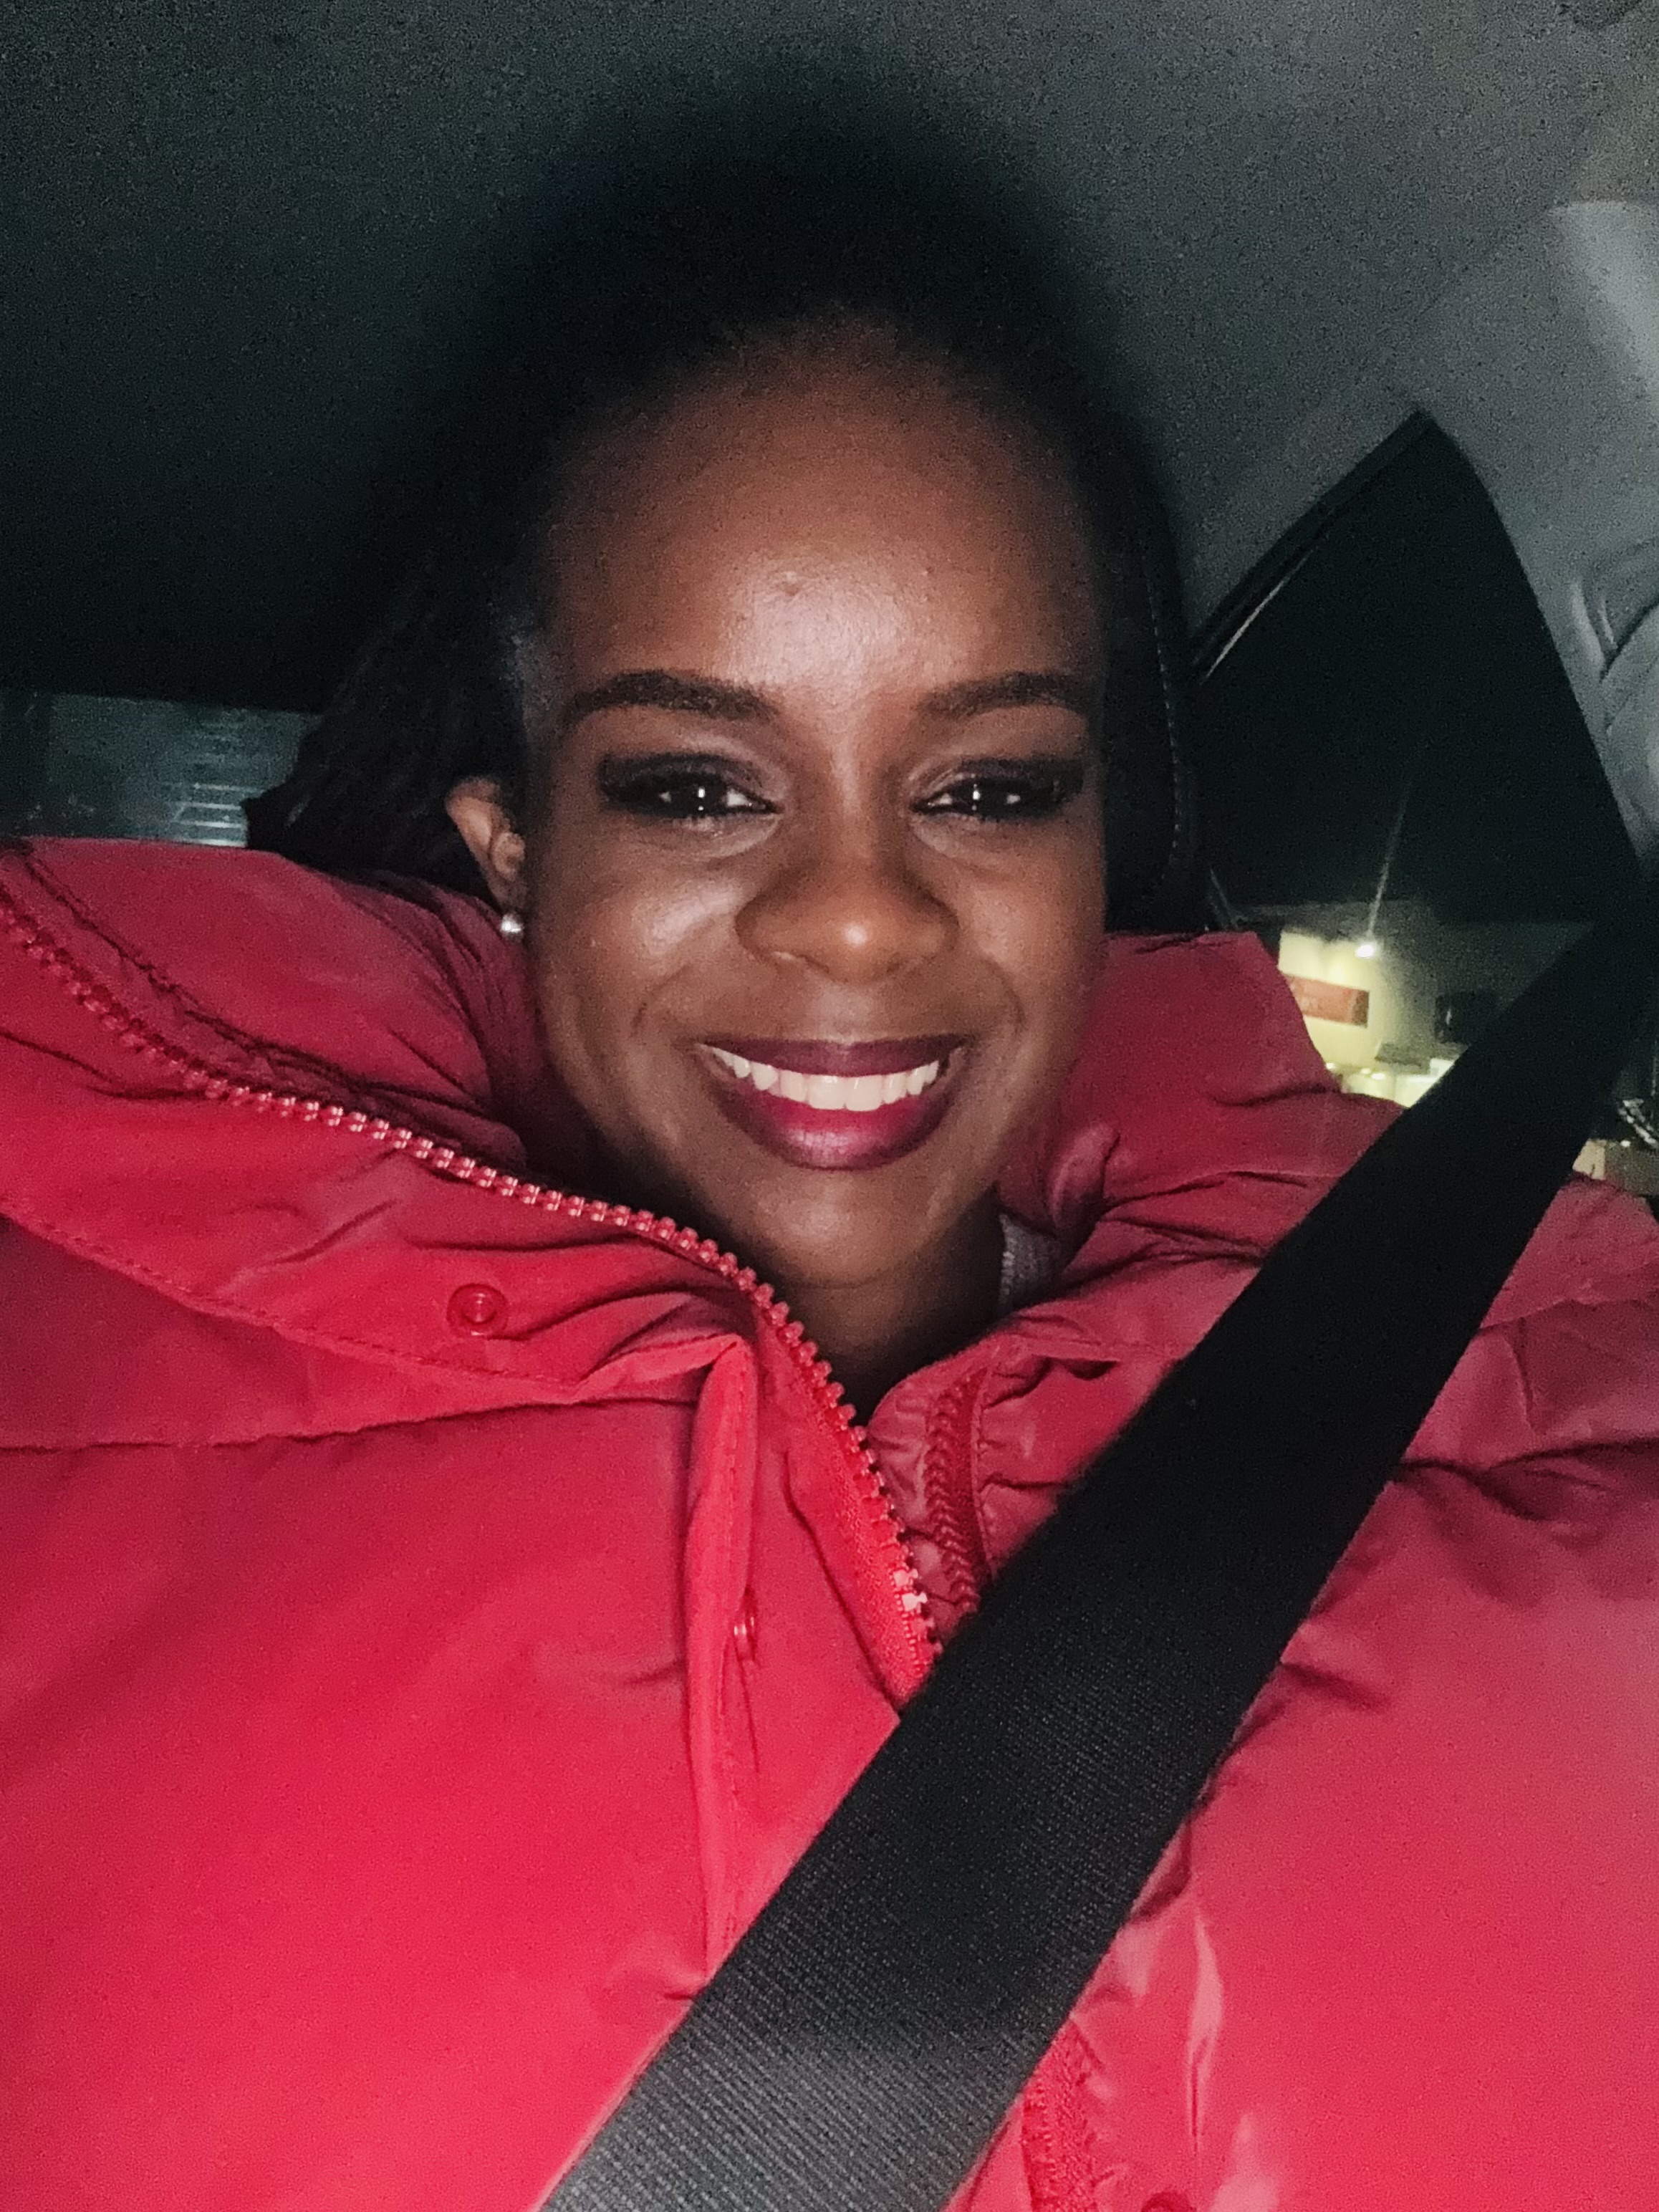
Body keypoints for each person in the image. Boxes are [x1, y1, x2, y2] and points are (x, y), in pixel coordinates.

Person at [3, 111, 1659, 2212]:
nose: (861, 922)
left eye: (989, 785)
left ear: (1099, 848)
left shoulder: (1528, 1407)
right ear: (519, 850)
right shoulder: (59, 1428)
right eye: (697, 786)